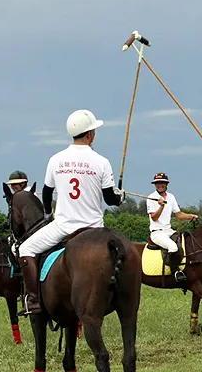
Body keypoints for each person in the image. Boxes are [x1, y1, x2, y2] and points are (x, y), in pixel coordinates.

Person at [17, 109, 125, 315]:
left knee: (25, 249)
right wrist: (121, 197)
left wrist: (48, 214)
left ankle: (32, 300)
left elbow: (47, 194)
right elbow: (110, 199)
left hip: (63, 226)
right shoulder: (101, 161)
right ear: (90, 134)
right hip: (94, 228)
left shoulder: (56, 160)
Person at [146, 172, 199, 282]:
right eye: (157, 183)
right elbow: (154, 218)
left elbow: (179, 215)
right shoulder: (151, 198)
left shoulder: (171, 197)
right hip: (157, 233)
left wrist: (191, 216)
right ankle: (175, 272)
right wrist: (161, 206)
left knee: (185, 243)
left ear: (166, 184)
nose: (160, 185)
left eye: (162, 183)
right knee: (173, 247)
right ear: (155, 185)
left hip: (169, 231)